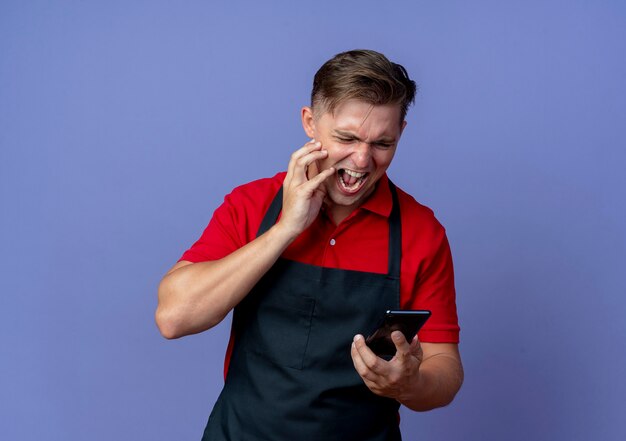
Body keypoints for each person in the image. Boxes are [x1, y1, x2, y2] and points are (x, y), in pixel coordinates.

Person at [156, 49, 463, 440]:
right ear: (310, 123)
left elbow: (446, 367)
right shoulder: (251, 205)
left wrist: (408, 384)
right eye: (346, 138)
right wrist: (286, 228)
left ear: (401, 132)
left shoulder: (422, 232)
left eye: (383, 143)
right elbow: (174, 318)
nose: (363, 159)